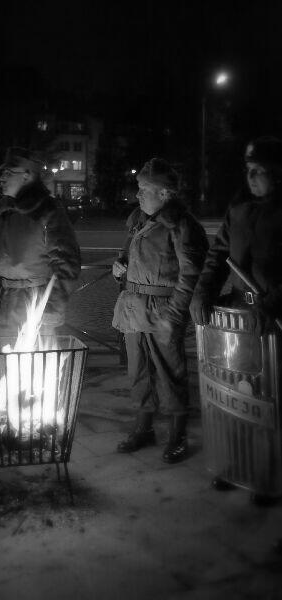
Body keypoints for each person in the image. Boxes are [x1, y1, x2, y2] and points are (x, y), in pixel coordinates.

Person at [189, 136, 282, 497]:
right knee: (238, 392)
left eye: (260, 170)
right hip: (240, 318)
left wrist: (273, 303)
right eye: (248, 170)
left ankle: (268, 474)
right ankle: (238, 463)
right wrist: (203, 292)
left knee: (272, 401)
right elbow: (219, 253)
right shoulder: (239, 208)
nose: (252, 177)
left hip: (272, 319)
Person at [112, 158, 208, 463]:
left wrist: (174, 316)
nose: (138, 195)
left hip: (162, 311)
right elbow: (128, 257)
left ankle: (178, 434)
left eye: (144, 189)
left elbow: (191, 275)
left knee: (170, 375)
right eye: (139, 188)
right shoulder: (139, 221)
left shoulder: (182, 226)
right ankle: (144, 428)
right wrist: (119, 267)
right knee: (138, 372)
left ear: (164, 193)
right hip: (133, 307)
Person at [0, 147, 81, 336]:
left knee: (38, 354)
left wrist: (53, 305)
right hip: (7, 303)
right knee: (8, 353)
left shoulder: (48, 210)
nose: (2, 178)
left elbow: (66, 261)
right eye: (3, 172)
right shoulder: (2, 210)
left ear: (27, 175)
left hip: (38, 303)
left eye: (9, 172)